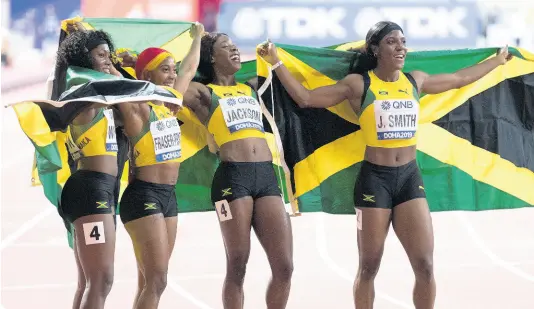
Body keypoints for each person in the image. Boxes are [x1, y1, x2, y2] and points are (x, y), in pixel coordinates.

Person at [258, 21, 512, 309]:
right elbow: (305, 99)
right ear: (376, 49)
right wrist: (276, 62)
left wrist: (497, 61)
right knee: (368, 267)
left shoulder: (415, 81)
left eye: (403, 41)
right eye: (392, 42)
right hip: (375, 181)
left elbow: (458, 79)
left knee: (425, 265)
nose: (401, 47)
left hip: (408, 178)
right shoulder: (359, 84)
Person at [183, 32, 294, 309]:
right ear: (211, 57)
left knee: (285, 267)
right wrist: (196, 42)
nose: (234, 50)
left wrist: (275, 60)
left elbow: (300, 84)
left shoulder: (251, 88)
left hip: (266, 176)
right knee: (238, 263)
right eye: (226, 47)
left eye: (235, 46)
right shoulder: (204, 93)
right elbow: (174, 87)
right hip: (233, 178)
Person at [116, 22, 204, 309]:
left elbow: (190, 68)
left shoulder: (170, 104)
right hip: (144, 196)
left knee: (148, 281)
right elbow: (116, 81)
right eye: (164, 69)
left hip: (168, 197)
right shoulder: (138, 108)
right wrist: (123, 64)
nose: (172, 75)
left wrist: (198, 36)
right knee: (158, 280)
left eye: (172, 69)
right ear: (146, 75)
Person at [55, 28, 127, 309]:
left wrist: (115, 68)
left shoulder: (105, 100)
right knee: (102, 279)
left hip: (103, 189)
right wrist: (115, 74)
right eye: (101, 56)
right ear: (85, 63)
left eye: (110, 56)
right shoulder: (85, 96)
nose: (109, 61)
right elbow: (120, 90)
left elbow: (130, 99)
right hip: (89, 189)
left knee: (89, 281)